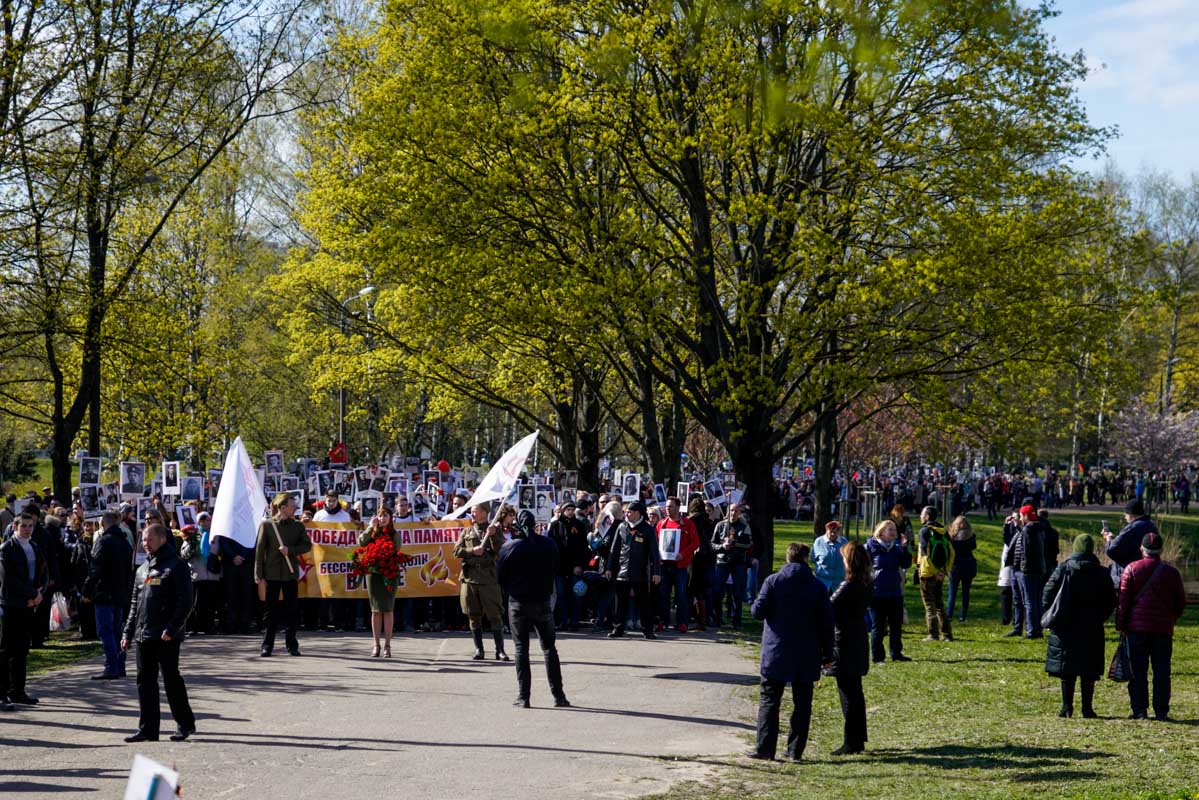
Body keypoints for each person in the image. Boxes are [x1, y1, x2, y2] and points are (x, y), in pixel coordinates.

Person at [747, 542, 833, 761]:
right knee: (802, 703)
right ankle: (794, 750)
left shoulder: (773, 581)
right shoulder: (817, 586)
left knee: (769, 699)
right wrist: (827, 654)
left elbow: (758, 612)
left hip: (776, 650)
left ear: (787, 558)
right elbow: (826, 623)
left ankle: (765, 748)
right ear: (806, 559)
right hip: (807, 651)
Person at [121, 523, 196, 742]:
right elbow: (135, 604)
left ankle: (185, 724)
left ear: (162, 539)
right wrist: (127, 632)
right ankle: (148, 729)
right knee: (145, 681)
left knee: (171, 679)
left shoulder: (176, 566)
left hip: (166, 634)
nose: (145, 543)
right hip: (144, 634)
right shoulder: (142, 569)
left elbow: (185, 601)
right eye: (143, 540)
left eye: (149, 539)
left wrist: (173, 627)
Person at [496, 512, 570, 709]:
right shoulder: (548, 545)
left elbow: (500, 577)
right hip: (541, 601)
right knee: (549, 649)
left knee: (522, 649)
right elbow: (556, 568)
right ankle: (559, 696)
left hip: (519, 602)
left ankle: (524, 696)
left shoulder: (510, 547)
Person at [1041, 534, 1116, 718]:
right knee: (1089, 669)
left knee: (1067, 668)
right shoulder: (1102, 572)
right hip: (1091, 625)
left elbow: (1047, 593)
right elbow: (1111, 600)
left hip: (1065, 624)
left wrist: (1053, 614)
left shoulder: (1064, 568)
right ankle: (1087, 708)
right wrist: (1100, 617)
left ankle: (1066, 707)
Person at [1116, 531, 1186, 720]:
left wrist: (1121, 625)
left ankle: (1139, 710)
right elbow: (1180, 602)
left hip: (1136, 629)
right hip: (1162, 629)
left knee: (1138, 671)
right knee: (1162, 671)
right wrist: (1172, 618)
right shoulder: (1171, 572)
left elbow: (1123, 602)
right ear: (1161, 550)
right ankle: (1161, 710)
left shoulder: (1131, 569)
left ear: (1142, 549)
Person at [0, 511, 48, 711]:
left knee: (22, 650)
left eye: (30, 526)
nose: (27, 529)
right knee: (6, 650)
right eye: (24, 526)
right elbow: (8, 579)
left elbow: (44, 572)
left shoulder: (34, 546)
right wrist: (30, 594)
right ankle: (2, 693)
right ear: (15, 527)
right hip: (11, 604)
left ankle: (18, 691)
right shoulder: (7, 548)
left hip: (29, 604)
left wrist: (39, 594)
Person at [255, 493, 313, 657]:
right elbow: (259, 551)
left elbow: (307, 545)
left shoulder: (298, 526)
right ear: (282, 508)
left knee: (291, 611)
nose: (295, 508)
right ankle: (267, 646)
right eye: (292, 505)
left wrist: (291, 550)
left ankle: (292, 645)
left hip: (290, 573)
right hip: (272, 574)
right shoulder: (267, 525)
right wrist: (258, 574)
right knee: (270, 612)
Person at [829, 540, 872, 755]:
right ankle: (858, 738)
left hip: (844, 641)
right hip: (858, 638)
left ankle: (851, 741)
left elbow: (829, 608)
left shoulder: (848, 586)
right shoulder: (866, 582)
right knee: (855, 691)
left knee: (848, 693)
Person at [452, 502, 509, 660]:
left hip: (488, 578)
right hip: (470, 578)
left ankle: (500, 650)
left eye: (475, 510)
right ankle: (479, 649)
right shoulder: (467, 531)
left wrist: (493, 536)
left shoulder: (494, 531)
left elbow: (502, 550)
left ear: (484, 512)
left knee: (495, 615)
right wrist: (471, 551)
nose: (472, 513)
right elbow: (456, 551)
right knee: (473, 615)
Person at [83, 510, 133, 680]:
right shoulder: (125, 542)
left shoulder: (103, 542)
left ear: (103, 523)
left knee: (105, 630)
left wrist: (86, 591)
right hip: (119, 592)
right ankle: (119, 665)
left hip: (104, 591)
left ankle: (111, 665)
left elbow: (95, 569)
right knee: (117, 630)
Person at [604, 500, 662, 639]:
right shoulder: (621, 527)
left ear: (637, 513)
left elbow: (654, 553)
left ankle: (647, 630)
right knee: (621, 603)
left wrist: (656, 572)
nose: (626, 514)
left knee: (644, 603)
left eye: (629, 512)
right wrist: (610, 568)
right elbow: (614, 549)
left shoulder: (648, 529)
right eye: (625, 512)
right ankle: (618, 629)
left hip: (640, 573)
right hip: (622, 572)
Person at [864, 520, 912, 664]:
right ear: (881, 531)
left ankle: (896, 653)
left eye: (894, 529)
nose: (893, 532)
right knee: (878, 627)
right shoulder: (870, 547)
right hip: (877, 594)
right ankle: (878, 656)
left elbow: (906, 563)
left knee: (896, 626)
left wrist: (904, 547)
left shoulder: (896, 548)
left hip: (895, 592)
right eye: (889, 529)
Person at [358, 507, 401, 657]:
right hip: (373, 575)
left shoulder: (394, 534)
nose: (382, 518)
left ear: (390, 518)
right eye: (380, 515)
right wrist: (370, 526)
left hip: (389, 574)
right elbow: (362, 542)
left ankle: (388, 646)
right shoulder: (372, 532)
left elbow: (396, 552)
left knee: (388, 609)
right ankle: (376, 645)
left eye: (385, 516)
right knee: (376, 610)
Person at [655, 496, 699, 632]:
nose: (668, 509)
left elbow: (695, 543)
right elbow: (656, 543)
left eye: (671, 506)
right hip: (664, 565)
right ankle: (663, 621)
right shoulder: (661, 524)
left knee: (681, 595)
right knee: (663, 594)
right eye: (667, 507)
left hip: (680, 567)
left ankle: (682, 622)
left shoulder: (688, 523)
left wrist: (683, 554)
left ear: (678, 507)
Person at [1005, 504, 1045, 639]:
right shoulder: (1028, 529)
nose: (1020, 518)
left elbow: (1027, 551)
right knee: (1019, 600)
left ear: (1025, 516)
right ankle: (1019, 627)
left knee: (1029, 601)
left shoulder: (1029, 530)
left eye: (1021, 515)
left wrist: (1024, 568)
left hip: (1025, 570)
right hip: (1019, 569)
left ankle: (1032, 630)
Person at [712, 502, 753, 629]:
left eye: (736, 511)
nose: (733, 513)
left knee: (737, 593)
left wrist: (735, 544)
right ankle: (718, 619)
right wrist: (722, 547)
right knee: (717, 591)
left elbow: (749, 545)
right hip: (722, 561)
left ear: (739, 513)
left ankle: (737, 621)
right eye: (731, 510)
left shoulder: (744, 526)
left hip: (738, 562)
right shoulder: (720, 525)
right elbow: (712, 544)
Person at [916, 506, 954, 641]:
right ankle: (947, 634)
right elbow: (951, 553)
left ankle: (933, 634)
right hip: (941, 574)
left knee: (929, 604)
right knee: (939, 605)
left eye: (922, 514)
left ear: (927, 516)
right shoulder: (944, 531)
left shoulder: (924, 531)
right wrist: (944, 571)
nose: (920, 516)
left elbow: (925, 555)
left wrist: (933, 571)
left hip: (927, 573)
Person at [1104, 498, 1159, 589]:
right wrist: (1115, 539)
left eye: (1126, 513)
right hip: (1146, 575)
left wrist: (1108, 540)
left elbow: (1112, 550)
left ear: (1131, 514)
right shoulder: (1151, 525)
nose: (1125, 516)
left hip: (1127, 576)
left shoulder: (1132, 528)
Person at [687, 497, 715, 631]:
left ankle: (693, 618)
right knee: (702, 590)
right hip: (707, 556)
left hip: (694, 556)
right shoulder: (708, 521)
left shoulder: (691, 521)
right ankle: (702, 619)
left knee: (691, 588)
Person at [946, 515, 977, 623]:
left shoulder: (951, 537)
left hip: (955, 566)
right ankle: (963, 616)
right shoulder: (970, 537)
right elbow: (974, 547)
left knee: (952, 592)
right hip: (968, 565)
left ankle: (949, 615)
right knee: (965, 592)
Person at [812, 520, 848, 594]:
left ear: (838, 532)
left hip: (839, 583)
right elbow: (813, 558)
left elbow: (848, 559)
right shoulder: (818, 541)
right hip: (822, 582)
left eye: (835, 532)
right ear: (826, 530)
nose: (832, 534)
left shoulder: (844, 541)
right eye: (830, 531)